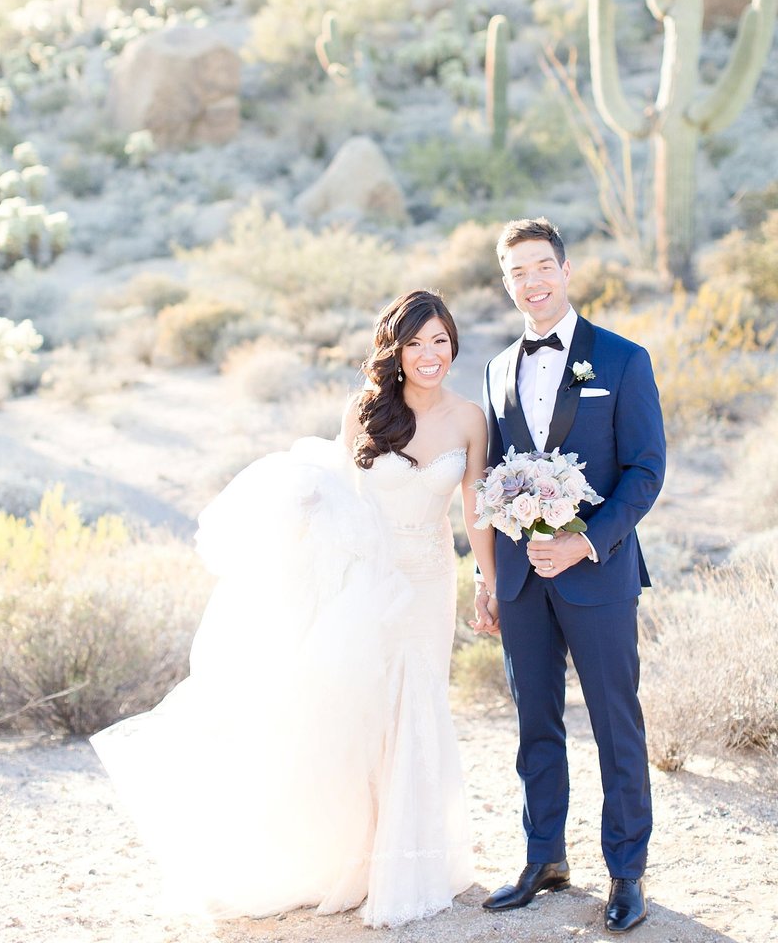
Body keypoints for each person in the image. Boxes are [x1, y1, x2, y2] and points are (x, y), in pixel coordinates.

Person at [91, 289, 495, 929]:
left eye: (440, 340)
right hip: (370, 575)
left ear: (454, 344)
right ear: (395, 350)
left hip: (430, 580)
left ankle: (411, 858)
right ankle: (358, 857)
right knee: (363, 708)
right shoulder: (363, 412)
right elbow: (342, 500)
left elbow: (475, 511)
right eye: (415, 342)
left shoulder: (471, 418)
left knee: (419, 704)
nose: (429, 354)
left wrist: (488, 582)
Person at [475, 218, 666, 934]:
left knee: (617, 723)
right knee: (534, 722)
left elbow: (647, 470)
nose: (532, 281)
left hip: (598, 571)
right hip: (523, 578)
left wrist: (586, 540)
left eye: (542, 266)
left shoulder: (620, 360)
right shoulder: (496, 369)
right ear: (506, 281)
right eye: (517, 271)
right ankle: (543, 857)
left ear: (565, 268)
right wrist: (489, 576)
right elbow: (493, 478)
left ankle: (626, 870)